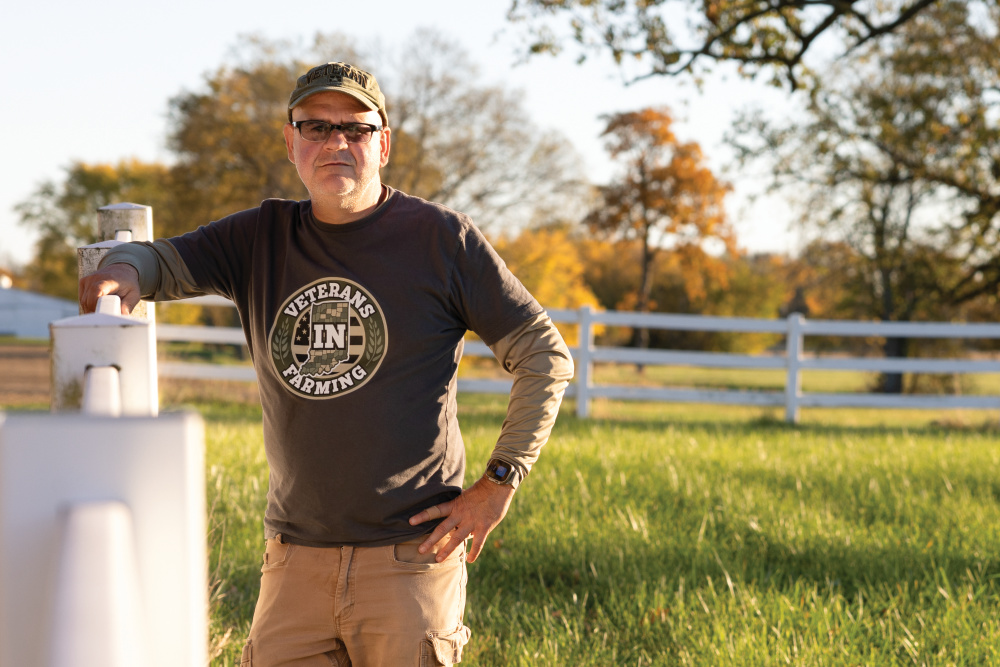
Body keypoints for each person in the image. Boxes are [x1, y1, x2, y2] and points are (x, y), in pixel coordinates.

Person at [79, 61, 574, 666]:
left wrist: (498, 483)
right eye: (316, 127)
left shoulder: (442, 240)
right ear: (291, 142)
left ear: (383, 144)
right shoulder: (259, 238)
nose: (336, 143)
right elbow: (160, 261)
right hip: (293, 561)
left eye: (356, 129)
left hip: (410, 560)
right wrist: (120, 274)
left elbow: (544, 356)